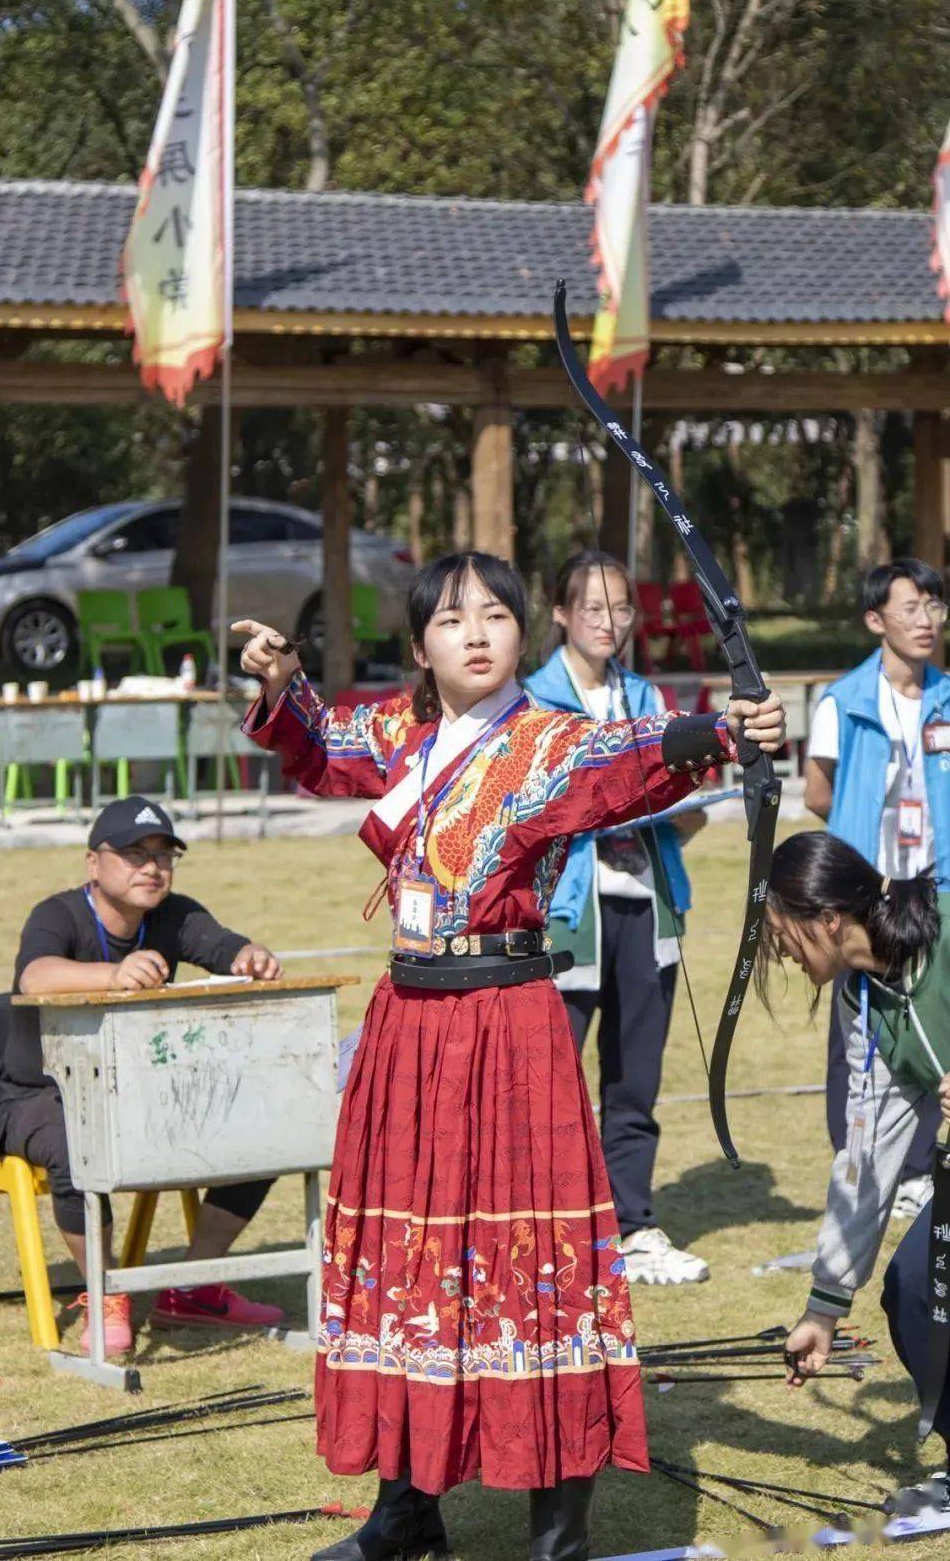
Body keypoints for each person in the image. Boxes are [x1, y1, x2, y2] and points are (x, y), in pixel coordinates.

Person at [234, 551, 785, 1561]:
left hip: (510, 1025)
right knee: (410, 1261)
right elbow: (317, 745)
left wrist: (722, 730)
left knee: (534, 1265)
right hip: (410, 1026)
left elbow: (629, 754)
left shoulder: (547, 740)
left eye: (495, 615)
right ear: (420, 648)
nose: (476, 634)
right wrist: (281, 677)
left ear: (523, 635)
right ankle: (406, 1511)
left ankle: (557, 1537)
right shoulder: (400, 731)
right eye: (452, 620)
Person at [4, 795, 285, 1355]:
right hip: (40, 1089)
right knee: (75, 1141)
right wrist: (113, 974)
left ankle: (195, 1285)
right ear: (94, 862)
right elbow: (35, 976)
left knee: (266, 1126)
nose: (152, 867)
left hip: (138, 1085)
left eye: (164, 855)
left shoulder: (174, 914)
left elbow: (224, 946)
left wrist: (251, 956)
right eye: (135, 854)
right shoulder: (57, 914)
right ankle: (105, 1293)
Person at [526, 550, 711, 1288]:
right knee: (550, 1081)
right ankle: (545, 1230)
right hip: (568, 913)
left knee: (635, 1078)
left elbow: (681, 805)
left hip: (645, 904)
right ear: (561, 613)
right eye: (593, 609)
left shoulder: (648, 698)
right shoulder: (534, 702)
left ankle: (632, 1225)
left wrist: (684, 802)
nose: (610, 623)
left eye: (622, 609)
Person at [757, 830, 950, 1461]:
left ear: (828, 918)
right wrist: (825, 1307)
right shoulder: (858, 996)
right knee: (915, 1288)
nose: (781, 952)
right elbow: (866, 1154)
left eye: (781, 931)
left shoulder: (945, 934)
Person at [805, 558, 950, 1219]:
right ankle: (856, 1162)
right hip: (867, 893)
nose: (926, 621)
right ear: (874, 619)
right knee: (858, 1028)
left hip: (936, 888)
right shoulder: (843, 700)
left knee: (933, 1020)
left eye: (935, 606)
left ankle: (917, 1169)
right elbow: (819, 793)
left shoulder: (945, 697)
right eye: (910, 607)